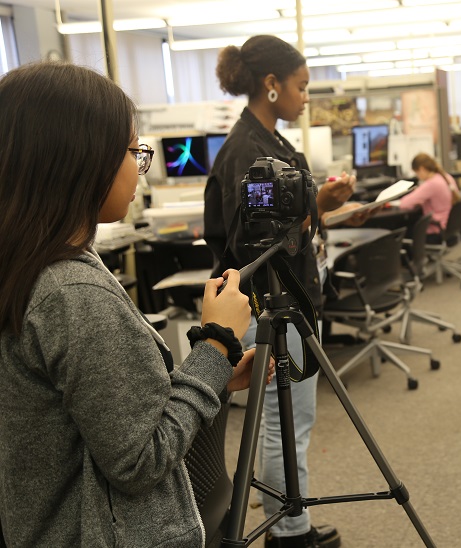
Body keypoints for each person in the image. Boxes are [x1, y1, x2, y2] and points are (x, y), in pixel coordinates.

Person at [0, 62, 268, 547]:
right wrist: (216, 342)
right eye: (132, 150)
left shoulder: (35, 268)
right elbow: (141, 460)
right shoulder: (72, 293)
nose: (139, 164)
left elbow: (98, 414)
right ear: (81, 159)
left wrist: (213, 376)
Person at [205, 35, 360, 548]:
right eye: (302, 85)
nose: (306, 96)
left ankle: (291, 523)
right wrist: (315, 205)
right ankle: (290, 531)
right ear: (272, 84)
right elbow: (249, 241)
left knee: (291, 420)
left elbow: (281, 221)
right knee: (285, 424)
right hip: (271, 303)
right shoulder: (247, 151)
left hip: (290, 298)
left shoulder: (270, 142)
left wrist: (324, 205)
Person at [397, 152, 460, 243]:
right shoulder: (446, 177)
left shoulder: (431, 184)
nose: (418, 177)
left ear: (421, 169)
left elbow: (404, 204)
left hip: (436, 231)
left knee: (403, 231)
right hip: (449, 227)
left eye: (417, 173)